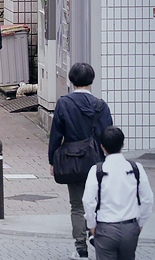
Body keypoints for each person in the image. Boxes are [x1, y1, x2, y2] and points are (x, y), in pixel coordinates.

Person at [49, 63, 114, 259]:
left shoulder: (63, 103)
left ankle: (81, 249)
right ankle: (97, 240)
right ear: (91, 80)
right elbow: (107, 135)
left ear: (71, 80)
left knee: (77, 205)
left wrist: (53, 160)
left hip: (72, 161)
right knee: (97, 203)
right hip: (97, 162)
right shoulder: (100, 105)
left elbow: (55, 134)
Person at [83, 126, 153, 260]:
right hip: (130, 227)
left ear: (102, 146)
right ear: (123, 144)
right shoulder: (136, 168)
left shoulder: (97, 170)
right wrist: (140, 224)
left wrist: (92, 225)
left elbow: (88, 200)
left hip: (105, 228)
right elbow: (147, 200)